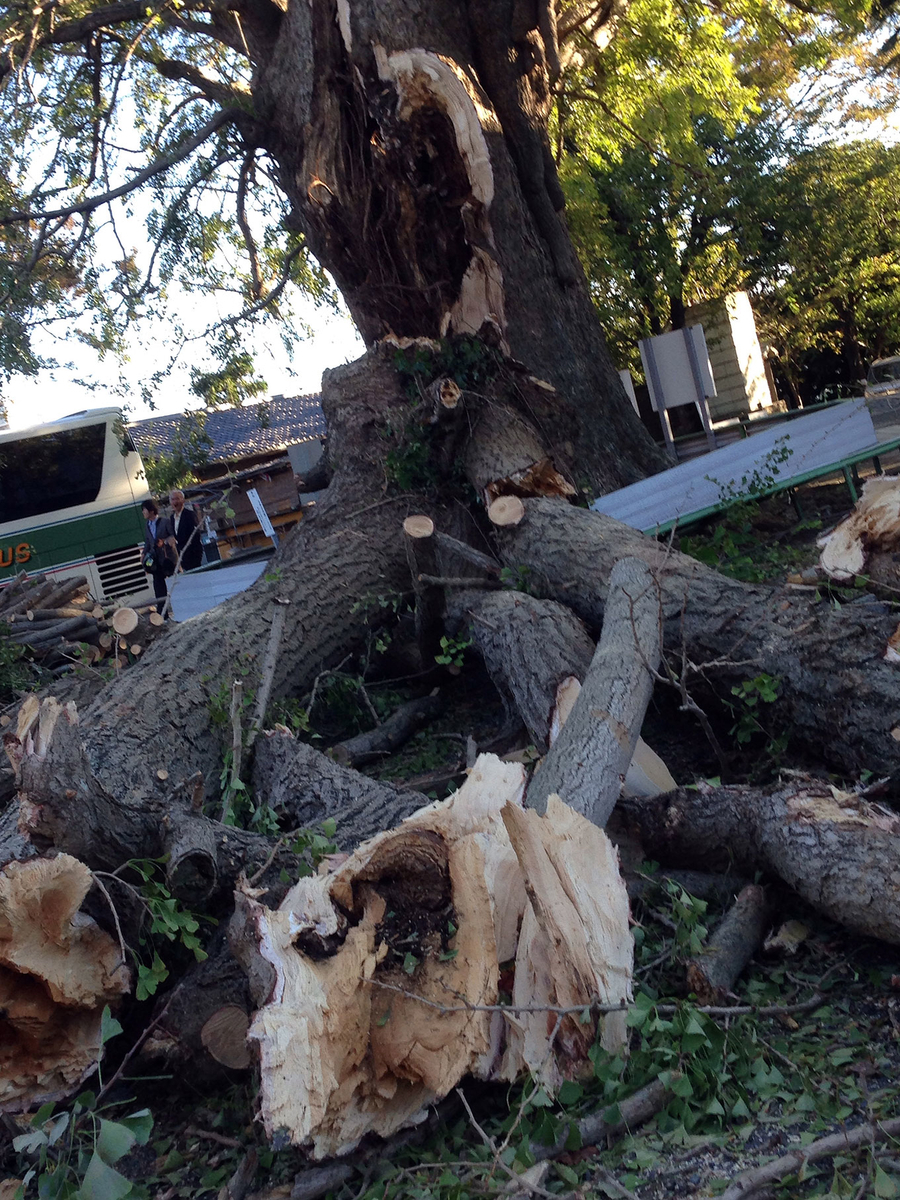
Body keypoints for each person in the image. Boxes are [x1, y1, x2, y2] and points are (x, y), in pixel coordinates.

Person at [141, 499, 176, 607]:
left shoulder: (165, 521)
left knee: (173, 583)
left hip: (168, 559)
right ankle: (162, 613)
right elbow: (148, 542)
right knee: (158, 587)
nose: (143, 512)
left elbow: (173, 537)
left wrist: (164, 542)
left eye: (144, 510)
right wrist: (143, 554)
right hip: (155, 561)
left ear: (151, 510)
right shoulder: (147, 525)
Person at [169, 489, 203, 571]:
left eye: (177, 499)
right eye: (172, 499)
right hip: (181, 556)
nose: (175, 502)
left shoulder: (190, 515)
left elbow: (195, 535)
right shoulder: (172, 518)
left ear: (183, 500)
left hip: (192, 554)